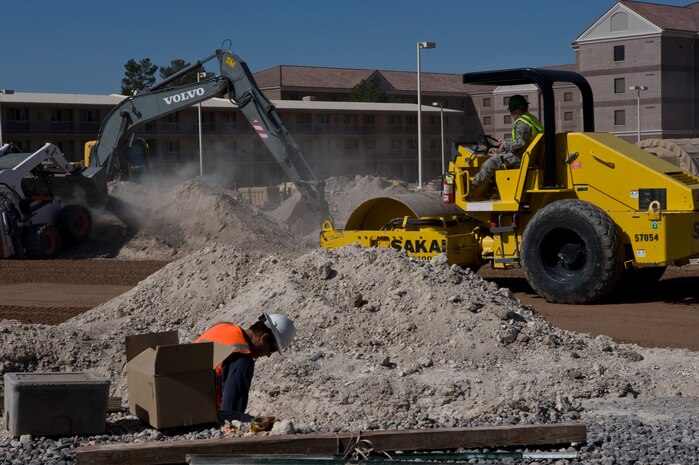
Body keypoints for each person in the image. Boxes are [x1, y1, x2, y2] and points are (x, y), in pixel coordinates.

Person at [195, 313, 296, 416]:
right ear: (264, 338)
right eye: (272, 349)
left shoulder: (221, 326)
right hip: (195, 414)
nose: (269, 355)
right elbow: (231, 413)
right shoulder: (241, 358)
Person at [470, 94, 543, 192]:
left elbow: (520, 143)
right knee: (498, 158)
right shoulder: (531, 118)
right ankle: (496, 191)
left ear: (517, 109)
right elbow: (525, 140)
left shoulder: (521, 123)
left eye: (511, 111)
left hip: (521, 156)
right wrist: (506, 142)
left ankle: (472, 187)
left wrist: (505, 144)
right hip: (530, 155)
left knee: (490, 163)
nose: (511, 114)